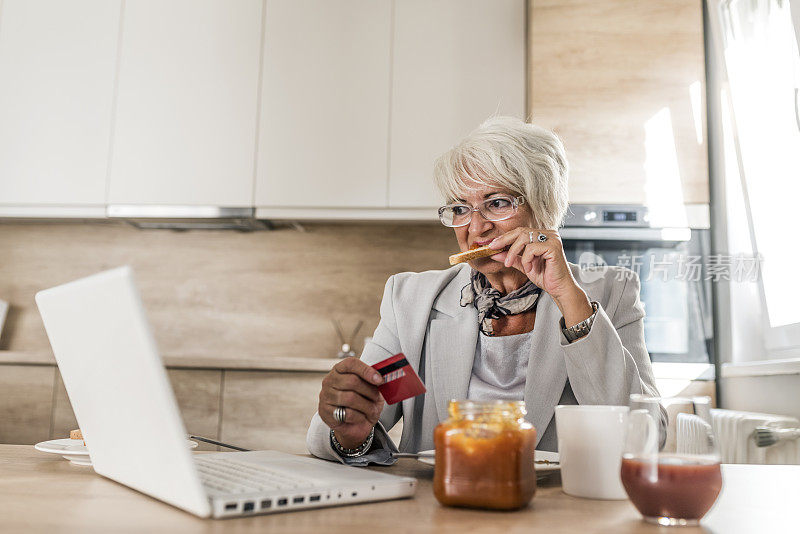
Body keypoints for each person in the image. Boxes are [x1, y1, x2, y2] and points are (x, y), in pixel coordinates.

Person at [306, 116, 659, 463]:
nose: (477, 227)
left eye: (498, 203)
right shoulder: (414, 304)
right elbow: (364, 415)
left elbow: (645, 437)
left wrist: (569, 299)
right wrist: (347, 427)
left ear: (544, 205)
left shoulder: (611, 294)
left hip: (559, 510)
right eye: (460, 208)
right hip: (442, 505)